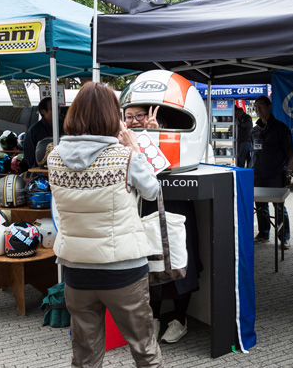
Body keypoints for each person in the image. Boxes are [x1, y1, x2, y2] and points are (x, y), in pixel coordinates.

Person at [47, 82, 162, 367]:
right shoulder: (126, 157)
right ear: (113, 116)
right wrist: (135, 149)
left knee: (85, 354)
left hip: (75, 269)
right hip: (122, 269)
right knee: (144, 348)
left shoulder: (54, 158)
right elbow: (152, 191)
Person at [124, 103, 203, 344]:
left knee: (179, 261)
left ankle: (179, 319)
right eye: (129, 116)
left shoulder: (170, 135)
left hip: (174, 206)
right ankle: (154, 317)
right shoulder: (120, 140)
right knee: (149, 264)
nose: (135, 120)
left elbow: (171, 165)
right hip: (141, 207)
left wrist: (155, 135)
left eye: (140, 115)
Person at [251, 95, 293, 248]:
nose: (258, 110)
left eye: (260, 107)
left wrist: (282, 169)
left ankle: (284, 237)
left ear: (269, 107)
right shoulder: (255, 130)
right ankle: (263, 233)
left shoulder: (281, 129)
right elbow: (254, 152)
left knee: (279, 207)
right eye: (255, 108)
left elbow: (289, 152)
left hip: (276, 174)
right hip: (258, 174)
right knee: (260, 206)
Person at [23, 97, 57, 167]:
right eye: (52, 109)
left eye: (58, 108)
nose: (57, 111)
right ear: (43, 111)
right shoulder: (34, 131)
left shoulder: (63, 126)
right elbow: (29, 156)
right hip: (41, 171)